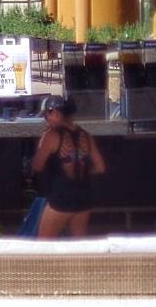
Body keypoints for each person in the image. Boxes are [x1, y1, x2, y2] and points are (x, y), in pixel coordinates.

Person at [31, 95, 106, 238]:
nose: (45, 120)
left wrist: (41, 143)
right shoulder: (85, 135)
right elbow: (100, 167)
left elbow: (37, 166)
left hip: (61, 197)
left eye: (46, 116)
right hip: (84, 196)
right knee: (77, 248)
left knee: (43, 248)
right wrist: (81, 168)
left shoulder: (51, 136)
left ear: (56, 113)